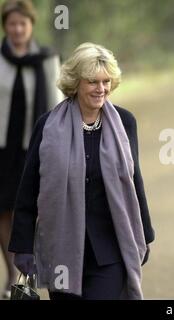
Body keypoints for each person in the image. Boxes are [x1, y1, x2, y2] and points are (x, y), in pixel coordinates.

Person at [8, 42, 154, 300]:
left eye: (106, 81)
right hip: (61, 252)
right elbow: (29, 189)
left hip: (110, 250)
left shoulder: (125, 123)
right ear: (75, 83)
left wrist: (144, 235)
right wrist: (22, 245)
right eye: (93, 82)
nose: (101, 89)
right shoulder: (48, 126)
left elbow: (134, 182)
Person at [0, 0, 62, 299]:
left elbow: (57, 103)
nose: (17, 29)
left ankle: (34, 268)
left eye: (22, 24)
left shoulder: (48, 59)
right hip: (1, 149)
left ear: (31, 26)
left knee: (37, 210)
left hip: (36, 147)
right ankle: (13, 273)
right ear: (5, 27)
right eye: (11, 24)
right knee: (4, 210)